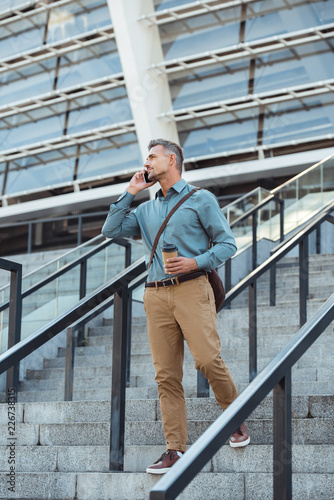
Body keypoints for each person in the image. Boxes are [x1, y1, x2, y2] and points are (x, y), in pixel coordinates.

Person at [102, 138, 250, 475]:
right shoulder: (145, 209)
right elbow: (110, 230)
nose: (147, 163)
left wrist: (195, 261)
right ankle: (175, 449)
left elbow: (228, 243)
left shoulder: (201, 199)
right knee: (166, 376)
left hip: (192, 289)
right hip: (154, 295)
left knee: (208, 359)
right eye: (146, 158)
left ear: (173, 159)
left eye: (152, 157)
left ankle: (235, 417)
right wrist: (130, 191)